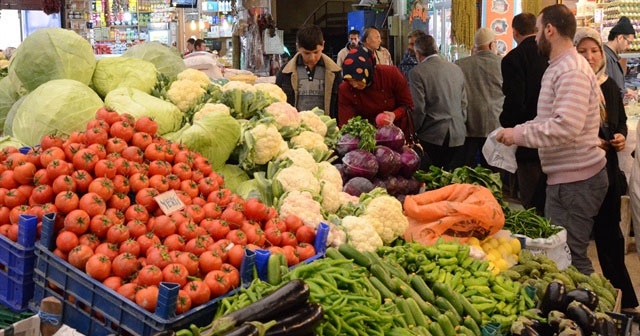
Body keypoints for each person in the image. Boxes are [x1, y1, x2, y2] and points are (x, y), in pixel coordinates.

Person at [496, 4, 608, 275]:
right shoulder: (558, 67)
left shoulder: (571, 70)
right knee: (561, 256)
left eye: (537, 31)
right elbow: (549, 119)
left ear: (549, 30)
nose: (535, 38)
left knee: (572, 259)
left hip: (578, 182)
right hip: (564, 179)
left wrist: (518, 134)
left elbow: (565, 127)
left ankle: (591, 314)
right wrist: (518, 131)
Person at [574, 27, 640, 317]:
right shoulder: (571, 85)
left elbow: (620, 122)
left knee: (610, 235)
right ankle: (579, 301)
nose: (590, 56)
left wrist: (620, 137)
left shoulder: (609, 86)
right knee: (575, 241)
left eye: (595, 50)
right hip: (577, 172)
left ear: (602, 53)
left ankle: (624, 298)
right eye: (582, 51)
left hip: (606, 171)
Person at [499, 12, 549, 214]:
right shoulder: (549, 54)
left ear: (514, 32)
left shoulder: (513, 59)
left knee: (531, 198)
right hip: (552, 135)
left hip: (527, 137)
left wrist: (508, 125)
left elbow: (514, 101)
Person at [409, 34, 467, 171]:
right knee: (452, 180)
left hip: (432, 135)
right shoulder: (456, 69)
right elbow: (464, 103)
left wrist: (414, 130)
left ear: (418, 54)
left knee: (432, 179)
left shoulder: (417, 72)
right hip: (458, 134)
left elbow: (419, 108)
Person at [455, 27, 504, 168]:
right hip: (494, 125)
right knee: (492, 172)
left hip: (468, 125)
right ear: (491, 45)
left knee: (466, 171)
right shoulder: (502, 64)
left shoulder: (460, 64)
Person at [338, 46, 413, 131]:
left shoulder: (391, 75)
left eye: (357, 80)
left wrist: (394, 114)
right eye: (350, 81)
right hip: (365, 134)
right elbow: (346, 123)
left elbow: (408, 105)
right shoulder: (345, 89)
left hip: (396, 132)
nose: (354, 85)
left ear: (369, 71)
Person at [276, 24, 342, 118]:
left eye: (316, 52)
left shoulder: (335, 72)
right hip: (296, 128)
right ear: (298, 47)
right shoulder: (284, 73)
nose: (312, 58)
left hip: (325, 127)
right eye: (306, 53)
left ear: (323, 45)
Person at [604, 16, 636, 97]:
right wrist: (625, 91)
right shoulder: (606, 58)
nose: (628, 47)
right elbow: (607, 89)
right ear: (620, 38)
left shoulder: (612, 57)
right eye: (628, 43)